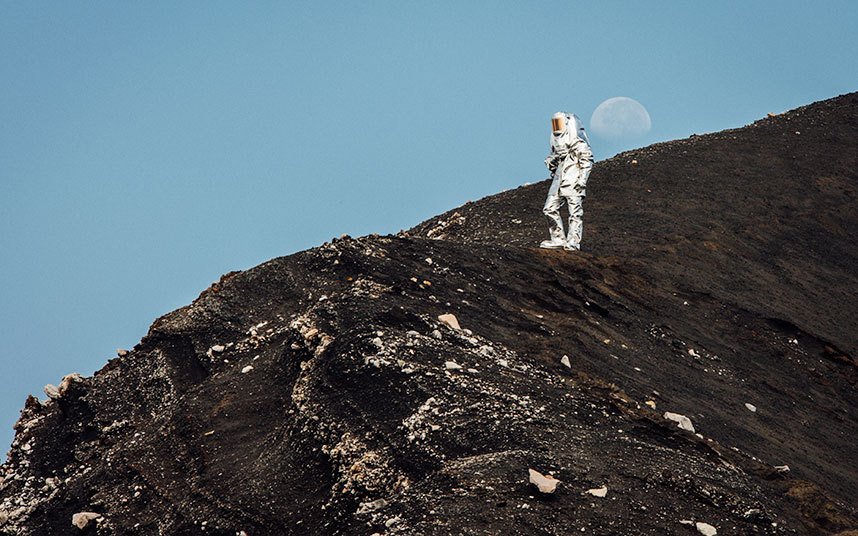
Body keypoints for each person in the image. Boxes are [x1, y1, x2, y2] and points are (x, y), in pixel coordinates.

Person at [540, 112, 594, 250]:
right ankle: (558, 238)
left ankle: (573, 241)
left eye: (559, 123)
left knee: (575, 212)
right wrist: (551, 161)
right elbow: (554, 159)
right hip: (559, 179)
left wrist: (582, 180)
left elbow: (587, 161)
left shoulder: (578, 144)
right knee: (549, 208)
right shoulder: (557, 146)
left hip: (573, 179)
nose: (557, 127)